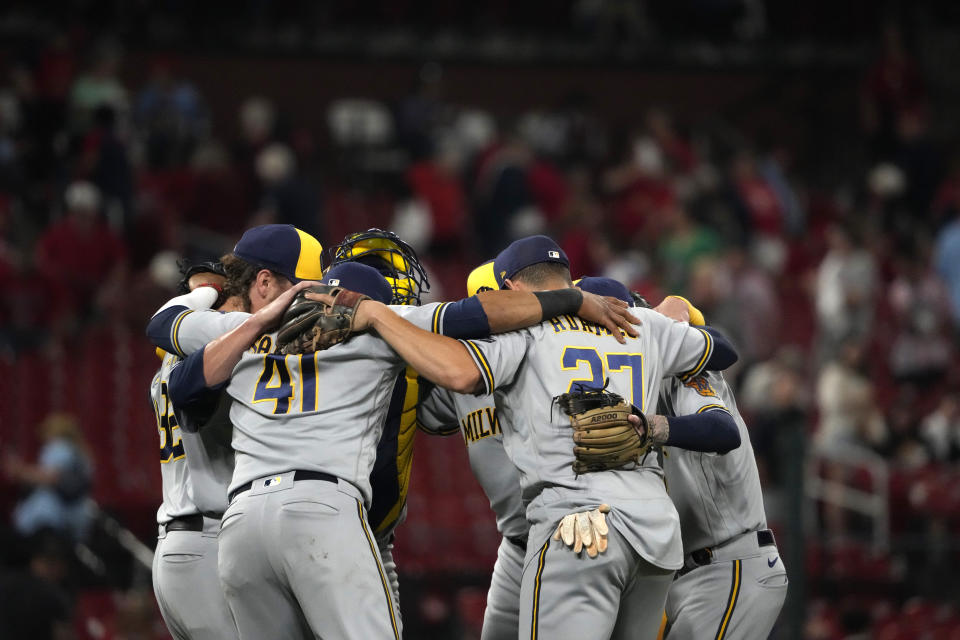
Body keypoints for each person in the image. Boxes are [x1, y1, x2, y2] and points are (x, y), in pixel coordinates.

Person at [146, 226, 636, 639]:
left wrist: (232, 310)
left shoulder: (241, 330)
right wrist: (568, 298)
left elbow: (178, 370)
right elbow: (472, 317)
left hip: (239, 527)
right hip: (322, 509)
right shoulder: (379, 322)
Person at [320, 235, 739, 639]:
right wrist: (672, 315)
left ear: (510, 289)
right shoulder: (640, 324)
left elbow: (461, 373)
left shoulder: (521, 333)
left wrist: (378, 321)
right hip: (655, 530)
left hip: (576, 523)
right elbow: (724, 352)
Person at [579, 281, 788, 639]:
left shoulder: (682, 368)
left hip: (729, 565)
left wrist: (656, 427)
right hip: (690, 575)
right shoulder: (623, 389)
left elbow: (722, 430)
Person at [149, 261, 241, 640]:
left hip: (180, 544)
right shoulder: (211, 356)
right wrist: (212, 290)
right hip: (205, 541)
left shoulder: (169, 364)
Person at [6, 413, 93, 542]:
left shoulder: (60, 447)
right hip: (77, 515)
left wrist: (19, 471)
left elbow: (50, 477)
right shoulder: (80, 452)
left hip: (52, 517)